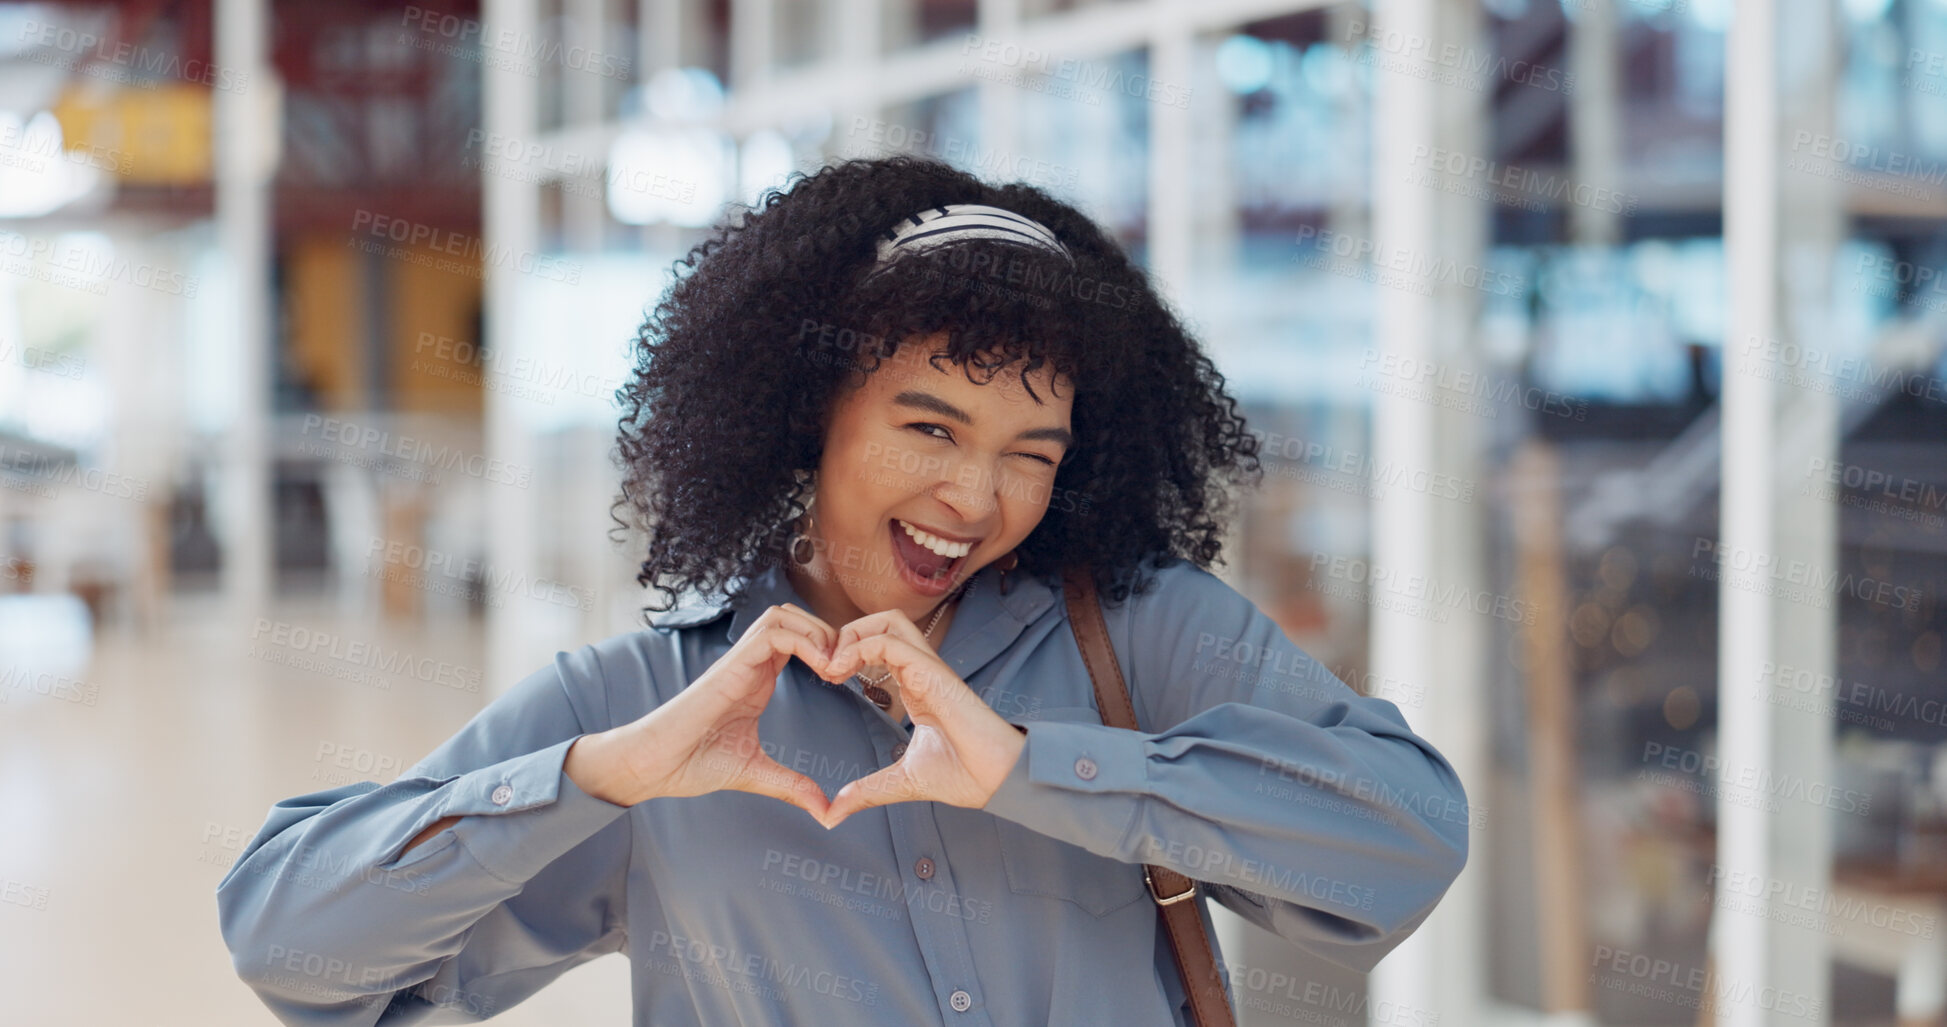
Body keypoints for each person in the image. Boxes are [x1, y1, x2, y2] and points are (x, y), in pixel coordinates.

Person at [216, 155, 1469, 1026]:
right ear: (809, 411)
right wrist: (591, 779)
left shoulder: (1142, 636)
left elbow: (1404, 842)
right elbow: (289, 941)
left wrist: (1044, 768)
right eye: (931, 429)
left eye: (1032, 453)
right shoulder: (653, 703)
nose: (978, 498)